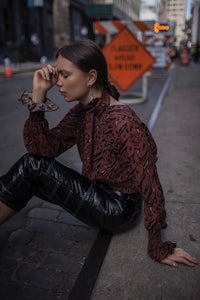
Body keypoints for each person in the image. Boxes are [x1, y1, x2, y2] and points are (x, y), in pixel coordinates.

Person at [0, 39, 198, 267]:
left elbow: (151, 186)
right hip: (97, 193)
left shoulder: (123, 121)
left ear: (91, 77)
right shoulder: (82, 113)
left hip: (117, 209)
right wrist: (38, 95)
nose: (59, 83)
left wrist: (157, 245)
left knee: (32, 167)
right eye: (58, 75)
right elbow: (42, 149)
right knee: (30, 169)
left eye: (65, 75)